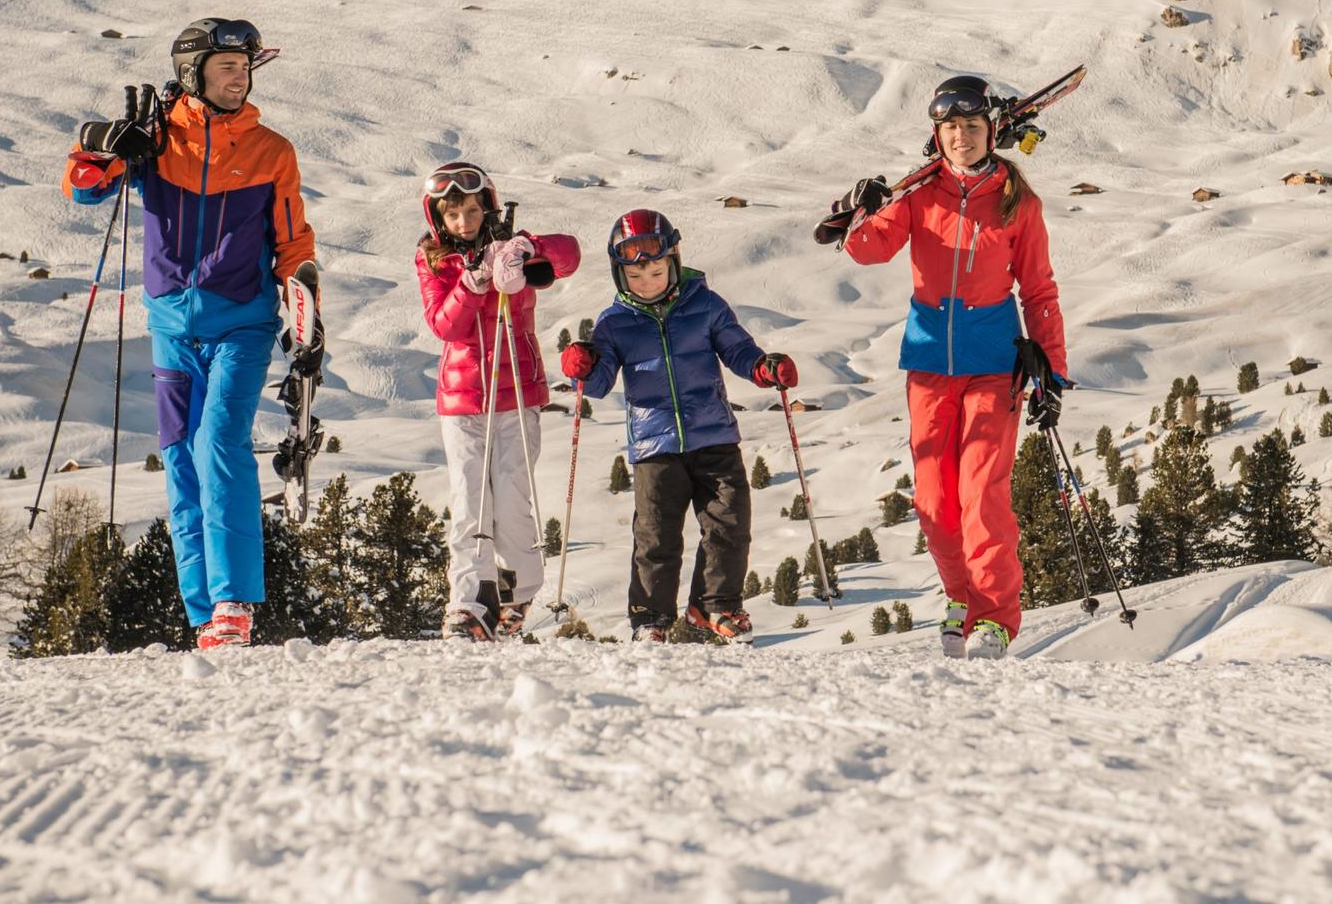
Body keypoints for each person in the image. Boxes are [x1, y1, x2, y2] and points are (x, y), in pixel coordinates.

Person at [62, 18, 316, 649]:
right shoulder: (154, 142)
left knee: (219, 443)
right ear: (192, 73)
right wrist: (101, 147)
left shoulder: (271, 150)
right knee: (179, 459)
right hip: (171, 324)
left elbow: (292, 241)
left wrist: (306, 309)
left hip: (243, 322)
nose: (239, 78)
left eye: (244, 68)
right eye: (226, 67)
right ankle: (204, 613)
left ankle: (234, 603)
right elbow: (84, 190)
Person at [834, 74, 1069, 659]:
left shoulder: (1018, 202)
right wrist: (860, 208)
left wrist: (1052, 371)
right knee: (935, 503)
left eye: (970, 126)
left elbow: (1038, 290)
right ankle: (960, 596)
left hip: (994, 363)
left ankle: (995, 617)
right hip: (928, 363)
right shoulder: (918, 195)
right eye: (949, 127)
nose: (960, 137)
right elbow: (865, 249)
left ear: (992, 130)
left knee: (981, 491)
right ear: (935, 135)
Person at [561, 210, 796, 643]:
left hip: (714, 435)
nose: (648, 281)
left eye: (656, 269)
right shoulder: (614, 323)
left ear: (673, 261)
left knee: (729, 524)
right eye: (636, 274)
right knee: (656, 536)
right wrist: (583, 366)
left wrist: (763, 369)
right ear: (619, 275)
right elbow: (598, 382)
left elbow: (738, 349)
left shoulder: (705, 305)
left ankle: (715, 606)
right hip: (655, 446)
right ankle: (650, 619)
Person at [415, 162, 580, 641]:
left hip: (516, 395)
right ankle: (468, 603)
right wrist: (472, 284)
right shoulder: (434, 259)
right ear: (438, 220)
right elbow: (445, 326)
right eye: (452, 215)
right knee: (470, 503)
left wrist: (525, 250)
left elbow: (568, 254)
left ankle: (519, 589)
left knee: (511, 497)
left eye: (470, 209)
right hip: (463, 399)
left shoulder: (512, 246)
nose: (463, 222)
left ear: (487, 205)